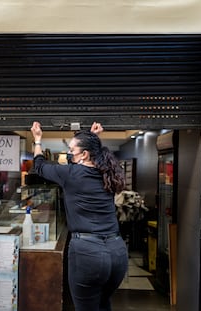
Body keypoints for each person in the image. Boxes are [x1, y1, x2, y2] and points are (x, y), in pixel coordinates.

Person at [30, 121, 128, 311]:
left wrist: (38, 139)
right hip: (117, 253)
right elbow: (94, 155)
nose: (69, 153)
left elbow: (39, 166)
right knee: (103, 304)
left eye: (71, 150)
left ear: (84, 154)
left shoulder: (70, 174)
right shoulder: (108, 173)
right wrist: (93, 139)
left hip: (87, 253)